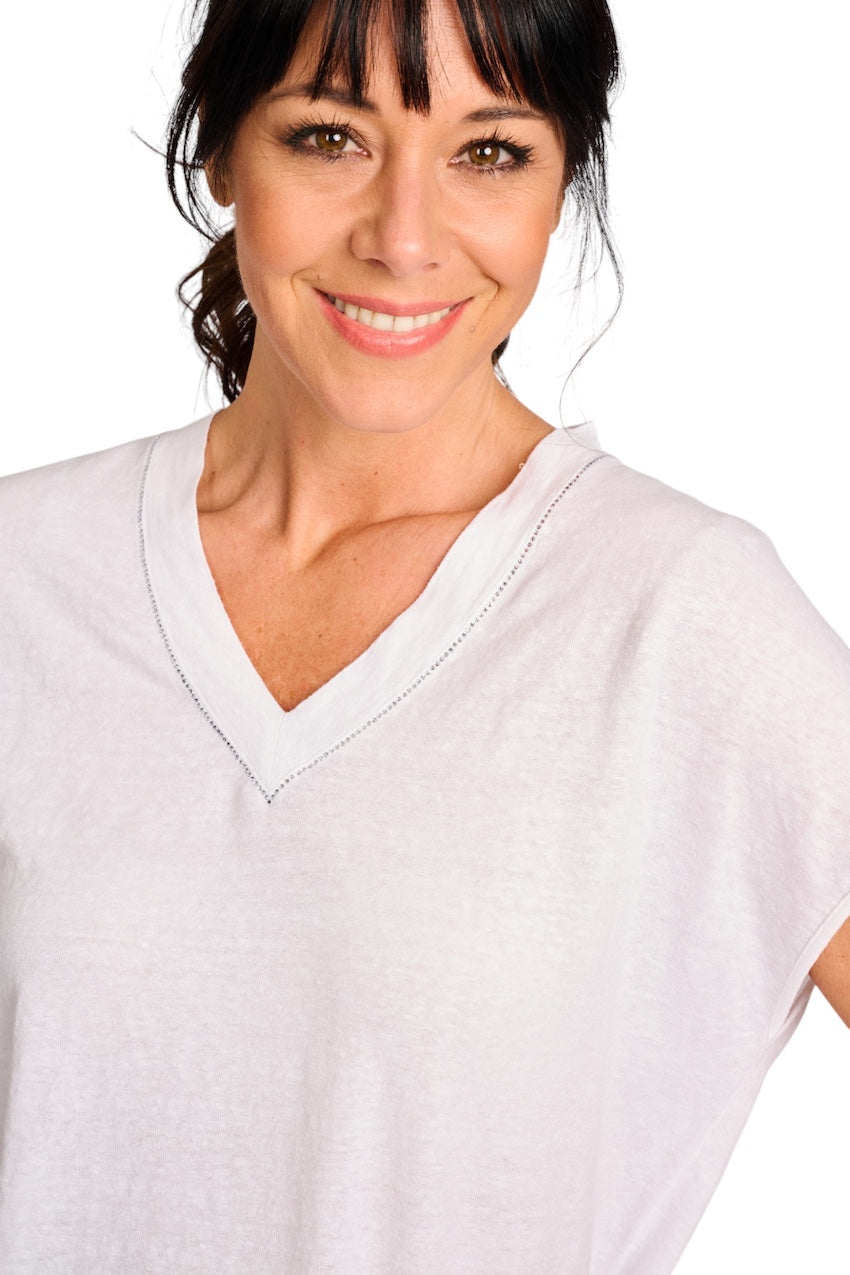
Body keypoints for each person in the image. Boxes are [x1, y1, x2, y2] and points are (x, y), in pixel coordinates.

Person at [0, 0, 848, 1271]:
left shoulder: (678, 613)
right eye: (329, 138)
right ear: (220, 150)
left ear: (562, 183)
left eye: (488, 152)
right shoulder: (22, 574)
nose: (403, 236)